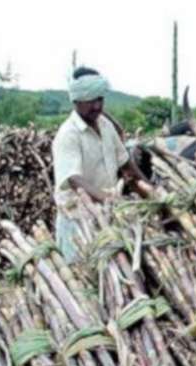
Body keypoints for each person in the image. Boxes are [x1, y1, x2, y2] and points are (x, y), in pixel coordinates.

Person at [52, 67, 144, 263]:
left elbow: (126, 163)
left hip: (108, 216)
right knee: (82, 277)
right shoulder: (68, 135)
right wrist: (109, 200)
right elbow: (74, 179)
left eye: (100, 99)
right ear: (75, 101)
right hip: (79, 221)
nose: (97, 106)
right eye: (90, 101)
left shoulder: (106, 125)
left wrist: (151, 191)